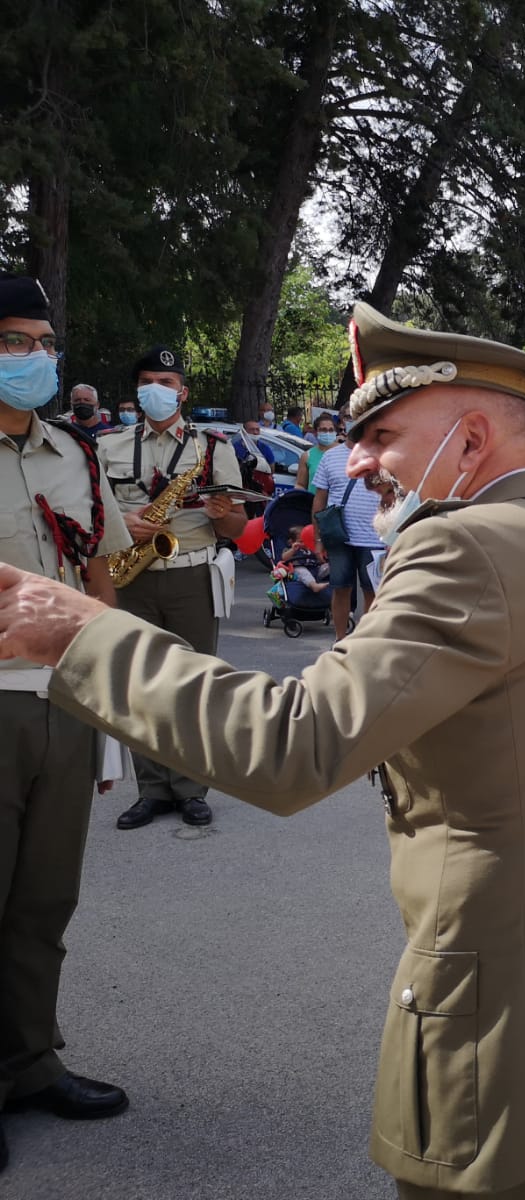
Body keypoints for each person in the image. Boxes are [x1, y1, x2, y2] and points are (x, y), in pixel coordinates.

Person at [0, 302, 525, 1199]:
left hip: (512, 1009)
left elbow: (295, 744)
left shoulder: (462, 545)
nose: (358, 458)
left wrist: (80, 636)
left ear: (473, 436)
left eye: (381, 433)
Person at [0, 276, 134, 1175]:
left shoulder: (74, 455)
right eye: (14, 341)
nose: (34, 358)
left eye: (42, 341)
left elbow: (102, 575)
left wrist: (117, 694)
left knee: (45, 898)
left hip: (65, 697)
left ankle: (28, 1062)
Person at [97, 344, 245, 831]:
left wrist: (225, 516)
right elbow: (92, 516)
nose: (156, 391)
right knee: (138, 685)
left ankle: (190, 788)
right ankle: (152, 789)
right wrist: (125, 523)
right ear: (135, 392)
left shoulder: (214, 448)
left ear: (183, 391)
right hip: (132, 578)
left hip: (191, 575)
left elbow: (239, 528)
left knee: (191, 685)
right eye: (147, 383)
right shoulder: (107, 446)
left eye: (166, 383)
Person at [312, 422, 386, 639]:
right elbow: (320, 499)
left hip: (374, 538)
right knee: (340, 588)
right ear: (344, 424)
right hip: (339, 538)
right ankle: (340, 640)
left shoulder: (382, 454)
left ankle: (367, 640)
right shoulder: (331, 457)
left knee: (372, 591)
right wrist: (318, 538)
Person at [295, 411, 339, 490]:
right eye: (324, 430)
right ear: (315, 432)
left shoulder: (344, 453)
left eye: (331, 430)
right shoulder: (307, 456)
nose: (327, 433)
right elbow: (300, 484)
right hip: (313, 500)